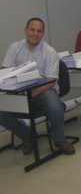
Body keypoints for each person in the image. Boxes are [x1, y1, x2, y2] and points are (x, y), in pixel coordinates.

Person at [0, 18, 75, 155]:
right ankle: (27, 135)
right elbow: (5, 71)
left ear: (43, 33)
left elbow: (51, 81)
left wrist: (29, 96)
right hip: (19, 91)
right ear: (25, 31)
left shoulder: (49, 51)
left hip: (44, 89)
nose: (35, 34)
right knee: (1, 110)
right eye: (32, 30)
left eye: (39, 31)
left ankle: (59, 139)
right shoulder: (15, 47)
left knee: (55, 106)